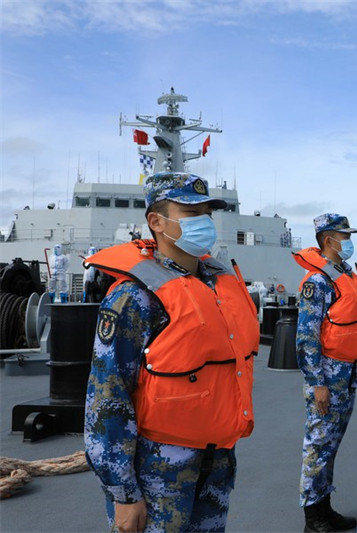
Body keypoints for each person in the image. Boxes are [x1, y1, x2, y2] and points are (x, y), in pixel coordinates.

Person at [83, 171, 260, 533]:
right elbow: (107, 396)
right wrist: (123, 494)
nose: (204, 222)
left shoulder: (218, 284)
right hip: (158, 474)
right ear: (156, 222)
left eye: (207, 213)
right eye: (191, 213)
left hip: (216, 463)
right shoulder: (134, 296)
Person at [293, 213, 357, 533]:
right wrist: (317, 384)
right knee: (317, 447)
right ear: (329, 240)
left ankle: (324, 508)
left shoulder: (343, 273)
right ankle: (313, 519)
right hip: (327, 377)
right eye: (345, 236)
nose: (349, 242)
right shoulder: (317, 282)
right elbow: (306, 337)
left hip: (347, 376)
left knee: (330, 446)